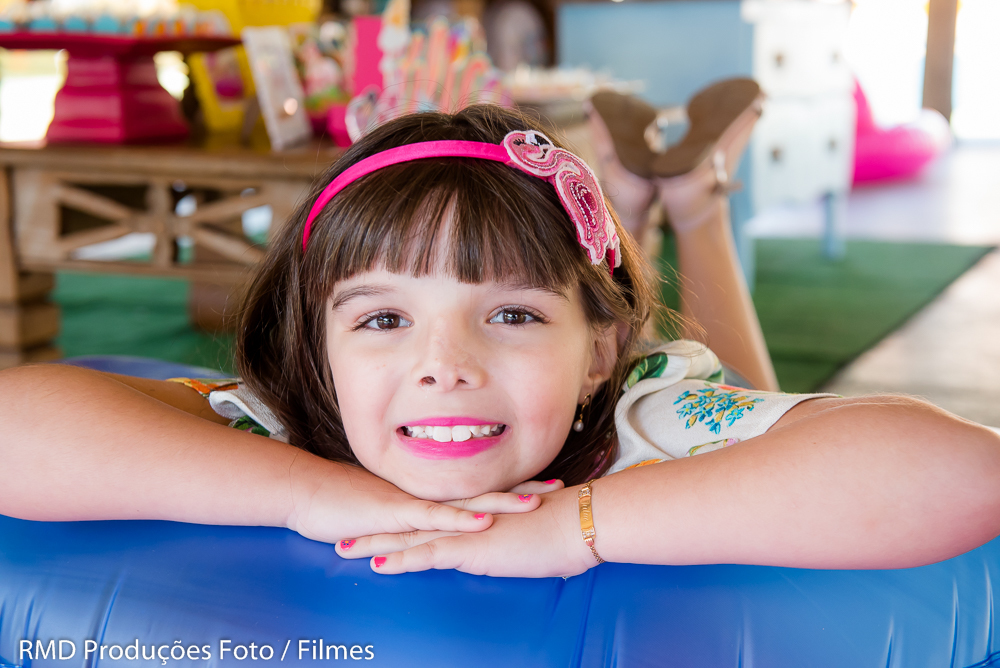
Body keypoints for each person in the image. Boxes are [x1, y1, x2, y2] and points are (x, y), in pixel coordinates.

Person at [1, 105, 999, 580]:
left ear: (598, 356)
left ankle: (693, 203)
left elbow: (964, 471)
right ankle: (657, 199)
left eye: (511, 314)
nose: (444, 365)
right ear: (319, 350)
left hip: (641, 407)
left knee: (732, 382)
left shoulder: (645, 411)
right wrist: (309, 494)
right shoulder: (294, 426)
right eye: (383, 319)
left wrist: (573, 527)